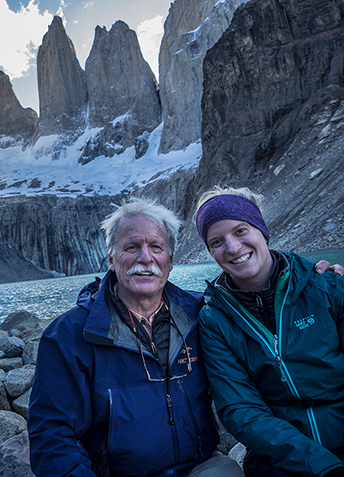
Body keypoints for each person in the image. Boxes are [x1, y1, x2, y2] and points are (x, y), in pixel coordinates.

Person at [28, 198, 244, 477]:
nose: (145, 258)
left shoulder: (200, 313)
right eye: (131, 247)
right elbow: (51, 433)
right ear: (111, 259)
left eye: (156, 247)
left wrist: (311, 280)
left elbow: (260, 313)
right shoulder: (68, 335)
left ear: (170, 261)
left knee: (227, 472)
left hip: (196, 466)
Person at [194, 186, 344, 477]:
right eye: (217, 241)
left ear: (262, 230)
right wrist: (324, 467)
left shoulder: (327, 286)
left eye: (240, 231)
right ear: (211, 252)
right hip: (281, 456)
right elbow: (241, 409)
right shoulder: (214, 320)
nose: (233, 247)